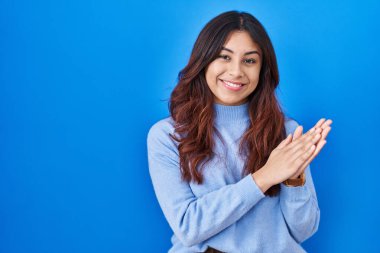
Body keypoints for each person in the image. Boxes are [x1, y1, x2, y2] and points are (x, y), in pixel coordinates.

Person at [147, 10, 332, 253]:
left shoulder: (286, 131)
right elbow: (188, 226)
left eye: (249, 60)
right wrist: (265, 176)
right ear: (204, 61)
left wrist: (294, 179)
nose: (236, 71)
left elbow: (303, 231)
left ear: (262, 69)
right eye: (224, 57)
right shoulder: (167, 136)